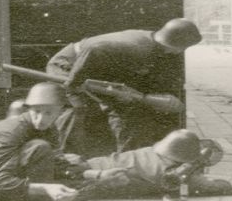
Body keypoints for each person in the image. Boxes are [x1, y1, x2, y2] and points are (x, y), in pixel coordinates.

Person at [46, 18, 203, 156]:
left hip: (93, 68)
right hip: (68, 65)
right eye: (184, 47)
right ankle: (65, 158)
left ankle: (128, 158)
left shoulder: (152, 44)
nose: (182, 51)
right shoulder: (140, 47)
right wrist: (74, 83)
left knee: (125, 112)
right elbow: (94, 49)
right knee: (77, 108)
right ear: (175, 44)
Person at [59, 129, 232, 199]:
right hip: (90, 178)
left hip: (86, 166)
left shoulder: (149, 151)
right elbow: (224, 188)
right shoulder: (176, 171)